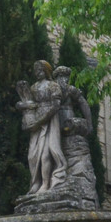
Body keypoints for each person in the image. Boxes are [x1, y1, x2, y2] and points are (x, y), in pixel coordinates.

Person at [16, 60, 66, 194]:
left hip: (50, 122)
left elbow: (56, 106)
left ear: (46, 71)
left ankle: (45, 183)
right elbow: (29, 104)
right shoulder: (33, 87)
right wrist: (22, 105)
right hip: (36, 123)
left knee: (46, 154)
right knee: (32, 155)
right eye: (36, 70)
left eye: (40, 70)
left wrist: (41, 120)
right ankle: (35, 183)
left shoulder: (53, 86)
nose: (37, 73)